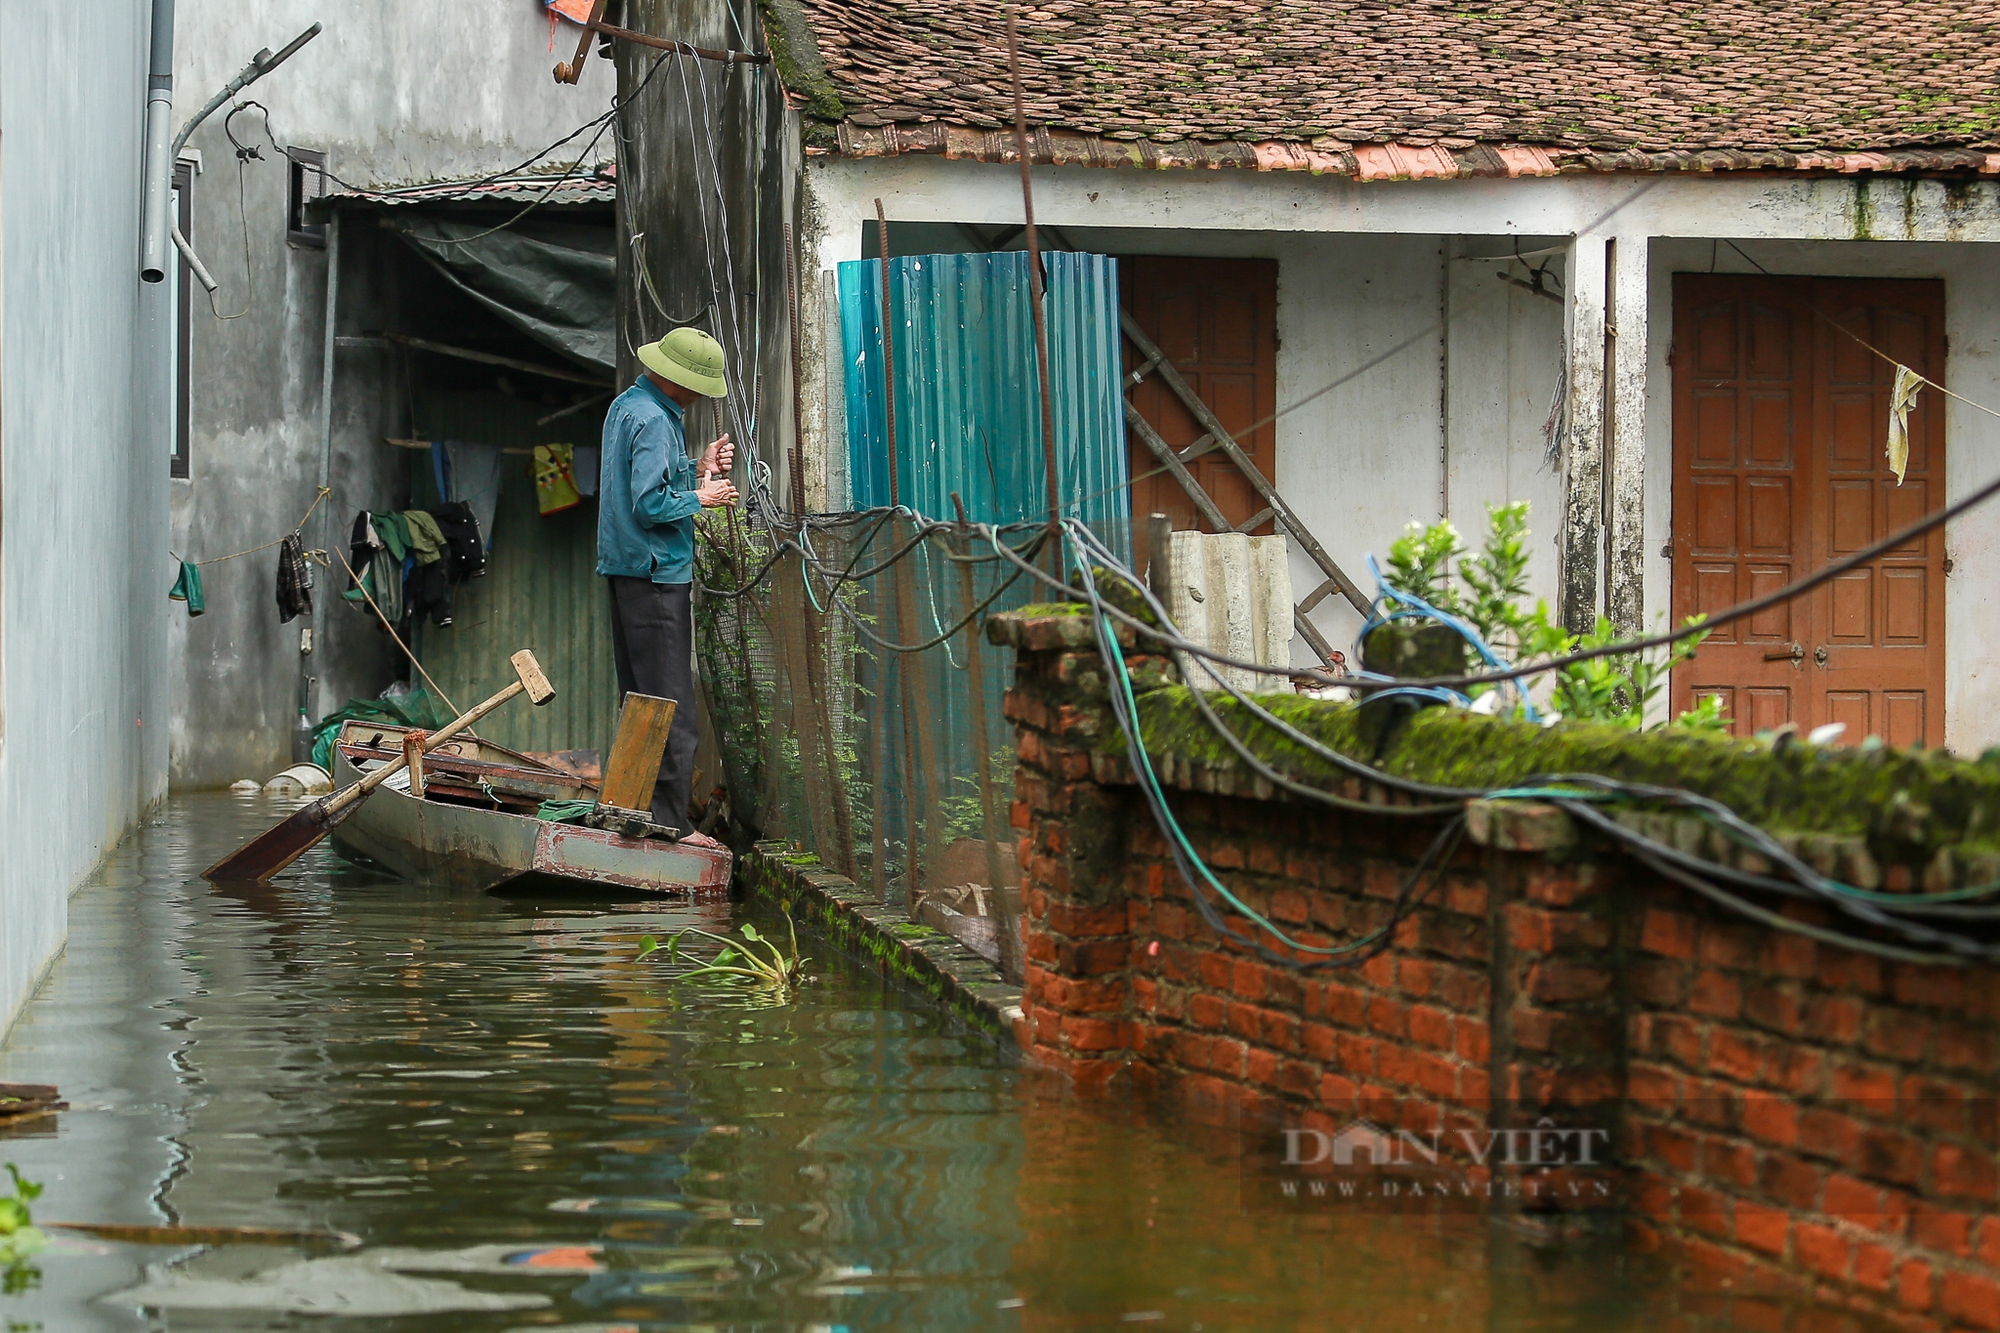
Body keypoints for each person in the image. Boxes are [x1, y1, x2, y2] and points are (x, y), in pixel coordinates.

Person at [596, 326, 738, 833]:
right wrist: (705, 496)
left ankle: (632, 813)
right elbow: (651, 503)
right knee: (674, 712)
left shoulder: (628, 406)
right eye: (700, 386)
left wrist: (694, 469)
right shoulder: (657, 420)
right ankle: (669, 828)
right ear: (683, 381)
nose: (702, 396)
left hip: (627, 570)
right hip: (657, 576)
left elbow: (643, 480)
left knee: (640, 703)